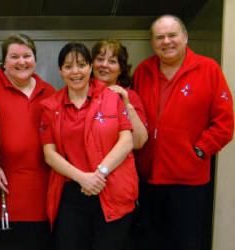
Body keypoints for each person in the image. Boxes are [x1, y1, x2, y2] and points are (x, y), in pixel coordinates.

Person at [132, 15, 234, 250]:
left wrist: (198, 151)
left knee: (186, 242)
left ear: (185, 37)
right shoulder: (143, 71)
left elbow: (224, 123)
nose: (166, 41)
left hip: (188, 181)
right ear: (152, 42)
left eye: (172, 35)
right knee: (150, 242)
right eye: (159, 37)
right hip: (148, 179)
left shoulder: (208, 69)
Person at [40, 42, 138, 250]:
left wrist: (100, 173)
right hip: (73, 193)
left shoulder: (112, 97)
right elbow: (50, 154)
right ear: (60, 71)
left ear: (90, 67)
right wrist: (83, 178)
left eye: (81, 65)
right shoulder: (50, 106)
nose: (75, 72)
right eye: (68, 66)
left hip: (111, 188)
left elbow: (127, 140)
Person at [0, 33, 56, 250]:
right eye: (14, 57)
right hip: (1, 194)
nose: (21, 62)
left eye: (27, 56)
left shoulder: (49, 92)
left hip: (42, 195)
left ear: (35, 60)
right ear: (4, 62)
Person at [91, 39, 147, 149]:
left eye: (112, 61)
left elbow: (138, 142)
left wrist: (126, 104)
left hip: (121, 163)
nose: (104, 65)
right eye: (100, 59)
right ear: (91, 64)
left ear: (121, 69)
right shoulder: (81, 93)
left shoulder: (130, 96)